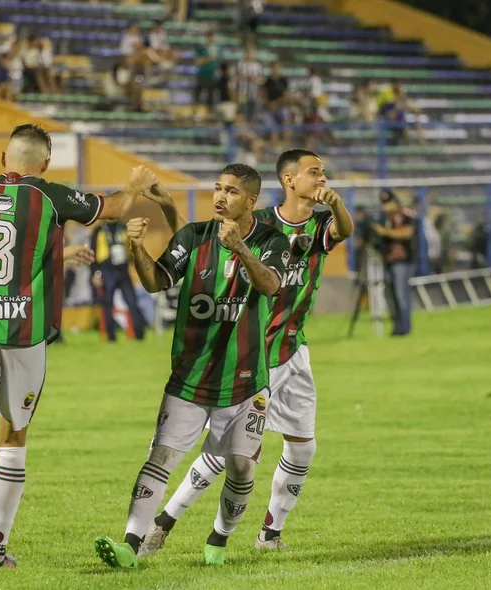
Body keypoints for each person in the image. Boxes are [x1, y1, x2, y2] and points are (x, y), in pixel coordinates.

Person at [0, 124, 160, 575]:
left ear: (3, 157)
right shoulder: (50, 195)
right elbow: (117, 208)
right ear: (44, 165)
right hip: (23, 334)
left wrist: (56, 257)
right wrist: (134, 186)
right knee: (13, 435)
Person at [139, 149, 353, 557]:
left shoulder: (322, 223)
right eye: (314, 172)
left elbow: (345, 231)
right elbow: (200, 242)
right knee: (229, 455)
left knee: (302, 447)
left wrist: (339, 204)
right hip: (256, 355)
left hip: (294, 348)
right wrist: (168, 207)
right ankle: (162, 523)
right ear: (289, 180)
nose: (322, 178)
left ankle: (269, 533)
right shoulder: (262, 224)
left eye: (323, 172)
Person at [94, 164, 290, 569]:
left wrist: (240, 249)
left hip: (245, 381)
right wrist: (136, 249)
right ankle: (131, 544)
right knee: (161, 456)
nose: (220, 197)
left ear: (251, 200)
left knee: (239, 467)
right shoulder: (193, 236)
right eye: (217, 189)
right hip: (189, 379)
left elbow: (271, 285)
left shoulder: (272, 240)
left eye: (232, 192)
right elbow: (156, 282)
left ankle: (219, 537)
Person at [90, 220, 147, 342]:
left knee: (132, 302)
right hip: (106, 270)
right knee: (108, 304)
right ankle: (111, 337)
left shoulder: (123, 227)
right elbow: (93, 252)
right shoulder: (99, 230)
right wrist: (95, 273)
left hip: (123, 270)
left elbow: (133, 248)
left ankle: (139, 335)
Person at [374, 191, 414, 336]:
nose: (385, 206)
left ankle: (405, 327)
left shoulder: (405, 216)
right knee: (390, 296)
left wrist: (384, 232)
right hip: (388, 260)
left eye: (387, 203)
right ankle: (397, 327)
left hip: (403, 261)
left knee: (401, 295)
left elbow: (407, 233)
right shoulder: (384, 218)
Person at [193, 31, 220, 118]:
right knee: (198, 95)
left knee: (211, 97)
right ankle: (195, 113)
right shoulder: (201, 48)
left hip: (213, 76)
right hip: (202, 75)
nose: (211, 38)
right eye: (209, 36)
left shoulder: (218, 48)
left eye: (212, 36)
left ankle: (210, 114)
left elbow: (219, 62)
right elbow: (197, 61)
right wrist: (209, 58)